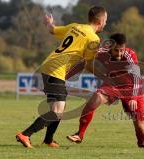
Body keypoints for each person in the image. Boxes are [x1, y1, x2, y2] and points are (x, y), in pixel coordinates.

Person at [16, 6, 107, 148]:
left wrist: (49, 22)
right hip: (56, 70)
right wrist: (104, 76)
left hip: (47, 66)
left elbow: (52, 30)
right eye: (105, 21)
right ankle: (25, 134)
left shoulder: (75, 26)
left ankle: (48, 140)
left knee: (58, 108)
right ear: (100, 21)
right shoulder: (94, 39)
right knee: (57, 111)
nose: (106, 24)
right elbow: (88, 65)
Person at [67, 33, 144, 149]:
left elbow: (136, 78)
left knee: (140, 126)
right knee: (96, 98)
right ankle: (80, 134)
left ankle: (142, 143)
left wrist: (133, 98)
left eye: (121, 50)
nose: (119, 54)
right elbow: (85, 56)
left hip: (131, 89)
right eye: (116, 51)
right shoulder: (102, 52)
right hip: (112, 85)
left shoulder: (130, 55)